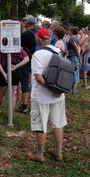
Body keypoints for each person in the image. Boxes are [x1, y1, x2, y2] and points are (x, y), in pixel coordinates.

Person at [28, 28, 67, 163]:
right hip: (58, 95)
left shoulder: (37, 55)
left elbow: (38, 78)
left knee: (41, 124)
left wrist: (50, 89)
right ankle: (58, 153)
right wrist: (56, 90)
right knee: (58, 123)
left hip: (41, 96)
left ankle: (39, 154)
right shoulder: (58, 51)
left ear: (38, 40)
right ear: (49, 39)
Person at [0, 47, 29, 113]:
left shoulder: (0, 49)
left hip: (4, 69)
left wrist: (4, 73)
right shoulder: (18, 48)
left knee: (1, 93)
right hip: (14, 70)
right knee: (12, 94)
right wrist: (16, 66)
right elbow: (26, 58)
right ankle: (10, 115)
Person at [16, 15, 36, 114]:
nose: (23, 23)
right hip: (34, 59)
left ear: (27, 23)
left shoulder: (26, 35)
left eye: (24, 21)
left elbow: (18, 44)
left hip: (25, 59)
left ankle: (24, 105)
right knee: (29, 80)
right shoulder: (35, 33)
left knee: (24, 82)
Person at [67, 26, 80, 92]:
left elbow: (75, 47)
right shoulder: (76, 37)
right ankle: (74, 88)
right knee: (75, 71)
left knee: (74, 71)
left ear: (71, 31)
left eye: (69, 30)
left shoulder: (72, 38)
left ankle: (73, 88)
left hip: (72, 56)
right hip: (74, 56)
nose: (68, 31)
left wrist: (78, 55)